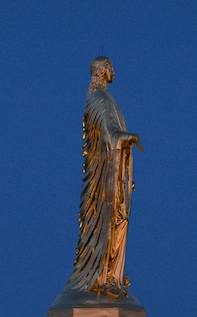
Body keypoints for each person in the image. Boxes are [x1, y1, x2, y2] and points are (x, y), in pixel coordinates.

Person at [67, 56, 143, 298]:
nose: (114, 72)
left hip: (117, 172)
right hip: (103, 176)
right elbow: (104, 136)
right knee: (104, 220)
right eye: (111, 68)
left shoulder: (111, 100)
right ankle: (97, 276)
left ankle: (113, 277)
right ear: (101, 71)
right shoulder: (97, 99)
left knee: (120, 219)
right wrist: (125, 137)